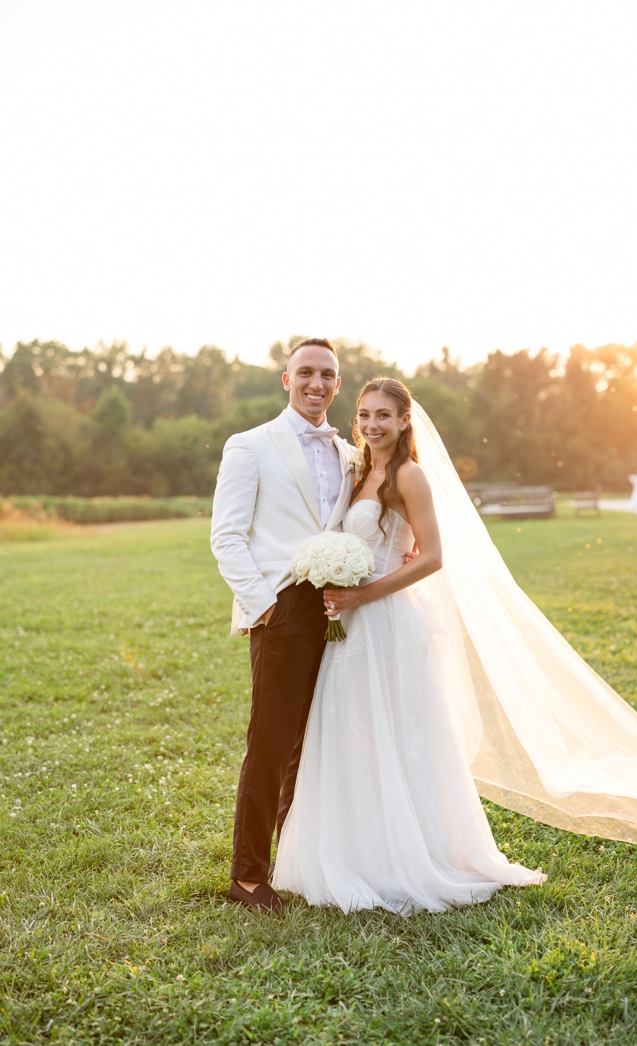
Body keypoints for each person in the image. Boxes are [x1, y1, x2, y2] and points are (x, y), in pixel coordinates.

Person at [272, 378, 637, 914]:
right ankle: (351, 850)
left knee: (401, 737)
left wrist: (364, 592)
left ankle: (411, 853)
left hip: (388, 621)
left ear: (405, 421)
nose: (373, 424)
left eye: (384, 415)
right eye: (364, 414)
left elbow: (431, 557)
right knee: (350, 732)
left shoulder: (410, 475)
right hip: (351, 626)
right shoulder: (358, 471)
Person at [210, 337, 357, 912]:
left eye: (327, 375)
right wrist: (262, 605)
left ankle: (295, 861)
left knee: (314, 740)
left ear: (338, 384)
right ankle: (248, 875)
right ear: (286, 378)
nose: (316, 383)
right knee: (270, 741)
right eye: (305, 373)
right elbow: (226, 535)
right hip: (280, 608)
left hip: (337, 610)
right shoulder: (249, 446)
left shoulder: (348, 452)